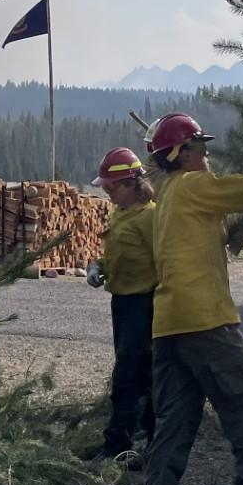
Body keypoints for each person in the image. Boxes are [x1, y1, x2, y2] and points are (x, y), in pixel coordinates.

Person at [137, 113, 243, 485]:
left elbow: (215, 226)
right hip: (205, 319)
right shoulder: (191, 184)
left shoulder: (167, 191)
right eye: (200, 147)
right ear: (182, 154)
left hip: (169, 324)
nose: (207, 155)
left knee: (176, 417)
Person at [86, 146, 158, 462]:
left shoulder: (151, 218)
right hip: (123, 303)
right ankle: (130, 443)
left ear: (131, 184)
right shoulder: (120, 213)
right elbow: (114, 252)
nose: (108, 193)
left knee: (133, 377)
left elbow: (166, 261)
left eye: (112, 188)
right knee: (132, 374)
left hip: (146, 304)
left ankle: (127, 445)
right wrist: (98, 265)